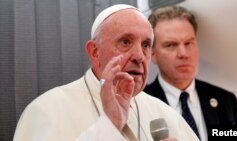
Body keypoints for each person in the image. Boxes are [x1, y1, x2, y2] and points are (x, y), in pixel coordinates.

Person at [13, 4, 199, 141]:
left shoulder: (164, 113)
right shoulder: (47, 110)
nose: (139, 56)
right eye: (125, 42)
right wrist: (109, 125)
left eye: (145, 45)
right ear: (95, 52)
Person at [144, 5, 237, 141]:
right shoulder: (141, 105)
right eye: (170, 45)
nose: (183, 53)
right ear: (153, 54)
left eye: (188, 43)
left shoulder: (226, 101)